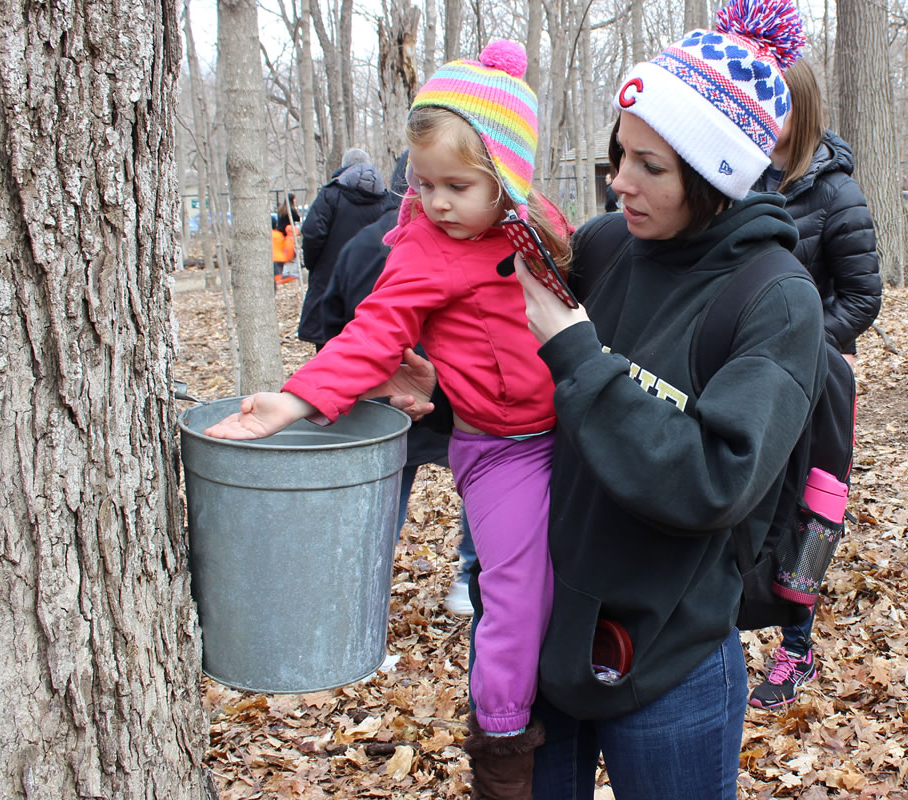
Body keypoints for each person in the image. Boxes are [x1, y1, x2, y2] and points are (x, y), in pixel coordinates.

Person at [203, 41, 571, 797]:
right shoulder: (425, 249)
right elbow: (373, 332)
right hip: (499, 448)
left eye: (457, 186)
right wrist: (298, 398)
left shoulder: (538, 227)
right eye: (425, 182)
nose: (436, 202)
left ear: (507, 177)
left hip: (578, 428)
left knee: (582, 578)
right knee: (514, 587)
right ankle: (504, 747)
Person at [510, 1, 820, 794]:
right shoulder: (610, 246)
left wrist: (580, 355)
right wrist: (438, 389)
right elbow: (524, 387)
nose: (620, 183)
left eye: (651, 165)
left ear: (715, 172)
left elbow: (715, 477)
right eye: (620, 156)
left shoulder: (773, 297)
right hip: (548, 630)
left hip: (670, 657)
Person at [747, 57, 880, 711]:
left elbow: (863, 297)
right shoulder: (735, 177)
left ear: (800, 112)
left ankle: (797, 649)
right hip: (747, 374)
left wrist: (801, 342)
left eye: (778, 103)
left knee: (811, 510)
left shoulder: (836, 192)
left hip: (820, 383)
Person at [318, 152, 476, 618]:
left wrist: (350, 381)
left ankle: (369, 589)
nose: (440, 201)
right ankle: (468, 576)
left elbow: (330, 322)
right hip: (438, 397)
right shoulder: (461, 242)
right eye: (428, 185)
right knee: (474, 483)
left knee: (386, 496)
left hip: (391, 399)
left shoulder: (361, 245)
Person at [297, 147, 393, 349]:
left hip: (329, 286)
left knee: (329, 355)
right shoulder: (386, 200)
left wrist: (315, 266)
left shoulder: (330, 195)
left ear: (344, 167)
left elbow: (313, 233)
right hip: (373, 289)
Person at [271, 198, 299, 285]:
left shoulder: (281, 210)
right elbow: (297, 218)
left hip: (281, 231)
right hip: (286, 232)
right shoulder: (291, 210)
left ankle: (282, 276)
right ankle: (285, 276)